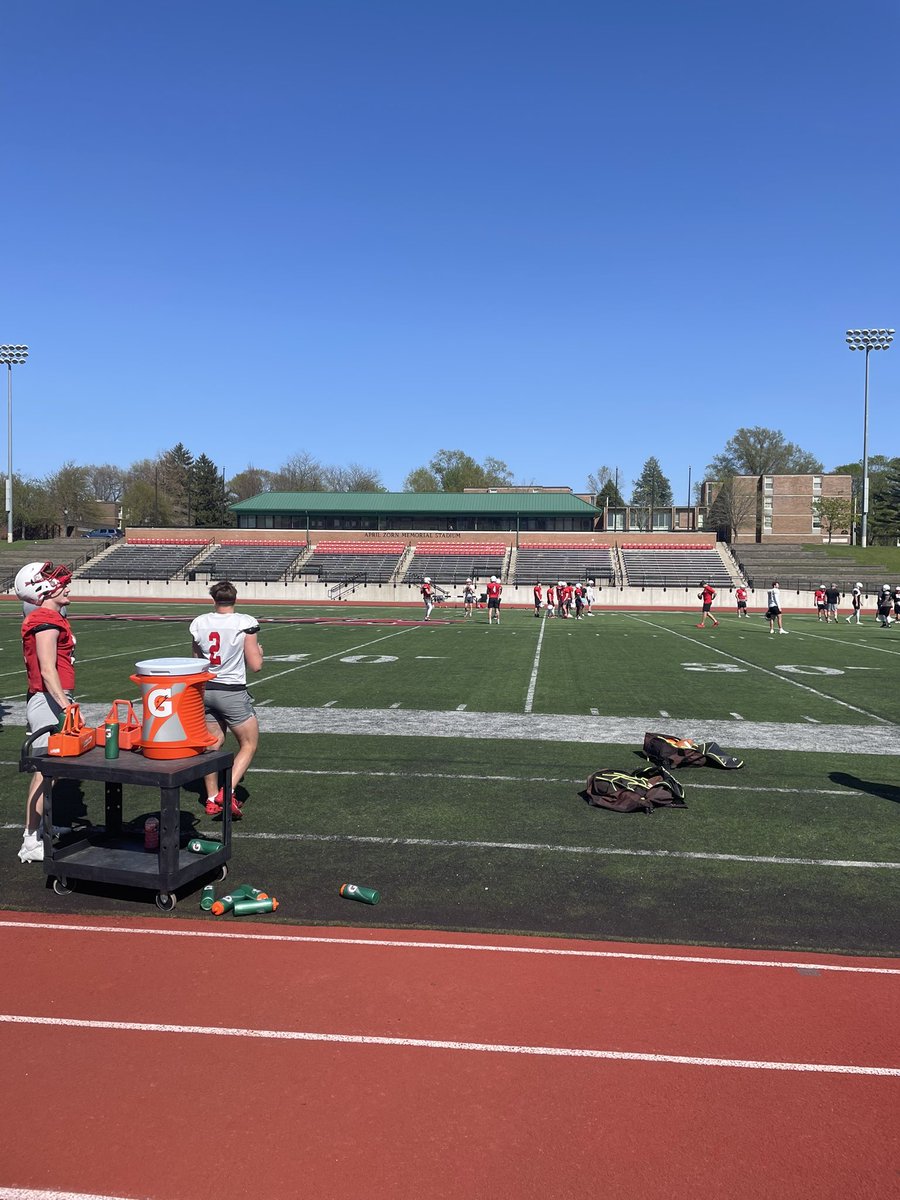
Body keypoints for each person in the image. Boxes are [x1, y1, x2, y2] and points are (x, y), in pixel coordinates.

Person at [16, 561, 75, 864]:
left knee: (56, 770)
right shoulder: (45, 619)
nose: (66, 585)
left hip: (52, 698)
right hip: (48, 700)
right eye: (59, 582)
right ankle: (30, 839)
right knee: (44, 770)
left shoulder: (51, 616)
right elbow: (48, 670)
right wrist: (66, 705)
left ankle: (42, 827)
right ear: (42, 588)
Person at [190, 580, 264, 819]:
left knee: (213, 743)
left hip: (206, 689)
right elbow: (256, 666)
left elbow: (197, 661)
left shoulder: (200, 622)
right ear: (235, 599)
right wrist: (260, 653)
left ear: (214, 600)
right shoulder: (244, 622)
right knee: (249, 744)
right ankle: (227, 791)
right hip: (231, 691)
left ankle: (211, 798)